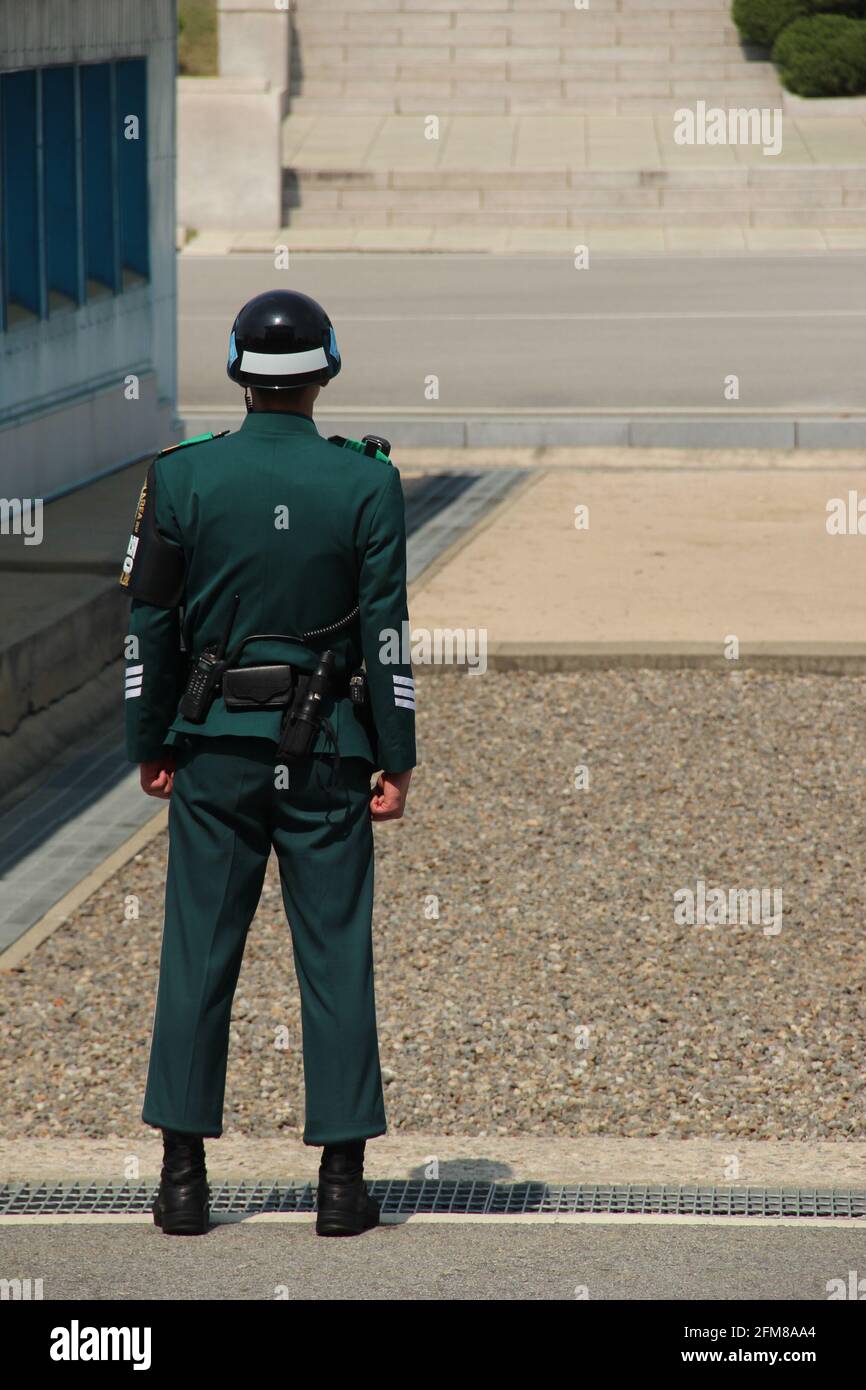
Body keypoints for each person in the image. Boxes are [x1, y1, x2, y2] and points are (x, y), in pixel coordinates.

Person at [120, 289, 416, 1237]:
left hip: (212, 755)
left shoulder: (182, 478)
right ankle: (339, 1184)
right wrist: (397, 754)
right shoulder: (367, 483)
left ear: (239, 374)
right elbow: (387, 636)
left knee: (198, 954)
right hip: (329, 751)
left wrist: (151, 740)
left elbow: (150, 626)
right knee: (334, 957)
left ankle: (180, 1181)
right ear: (325, 370)